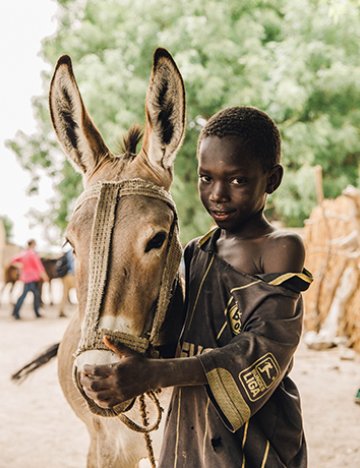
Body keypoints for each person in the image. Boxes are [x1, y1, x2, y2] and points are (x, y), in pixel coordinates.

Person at [79, 106, 313, 467]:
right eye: (206, 178)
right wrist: (128, 365)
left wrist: (156, 373)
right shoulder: (196, 251)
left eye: (237, 180)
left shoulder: (281, 248)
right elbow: (185, 339)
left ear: (272, 179)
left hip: (256, 435)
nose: (217, 194)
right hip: (192, 426)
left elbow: (263, 349)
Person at [11, 239, 49, 320]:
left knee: (35, 295)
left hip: (25, 278)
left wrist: (19, 265)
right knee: (29, 295)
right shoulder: (33, 254)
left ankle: (18, 312)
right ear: (33, 244)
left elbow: (13, 260)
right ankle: (16, 312)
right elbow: (39, 266)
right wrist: (44, 276)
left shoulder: (23, 253)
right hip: (32, 278)